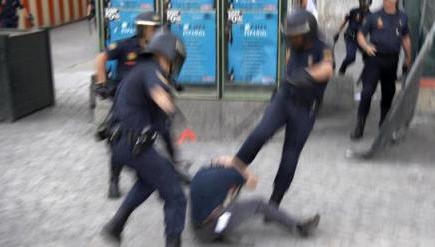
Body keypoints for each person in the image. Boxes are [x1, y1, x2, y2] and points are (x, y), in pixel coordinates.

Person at [219, 9, 334, 209]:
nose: (289, 38)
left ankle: (274, 202)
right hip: (284, 98)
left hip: (305, 109)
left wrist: (306, 75)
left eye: (293, 36)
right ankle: (233, 176)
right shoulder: (293, 44)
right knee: (260, 133)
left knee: (290, 154)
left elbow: (327, 68)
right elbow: (289, 59)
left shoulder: (322, 46)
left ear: (306, 34)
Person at [100, 30, 187, 247]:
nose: (174, 66)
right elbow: (157, 90)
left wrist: (175, 162)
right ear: (167, 55)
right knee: (176, 196)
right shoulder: (151, 69)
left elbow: (163, 130)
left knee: (148, 182)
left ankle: (115, 226)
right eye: (175, 60)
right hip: (132, 144)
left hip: (122, 146)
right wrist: (168, 104)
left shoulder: (138, 70)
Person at [94, 11, 162, 198]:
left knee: (147, 141)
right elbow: (101, 58)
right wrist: (101, 84)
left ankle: (149, 179)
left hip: (145, 103)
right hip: (123, 103)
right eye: (152, 28)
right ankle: (114, 180)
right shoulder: (125, 45)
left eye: (157, 28)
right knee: (119, 141)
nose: (156, 31)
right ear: (142, 29)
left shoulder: (156, 50)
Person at [190, 162, 320, 243]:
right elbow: (253, 183)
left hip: (197, 231)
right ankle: (299, 227)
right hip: (211, 230)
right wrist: (243, 172)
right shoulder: (232, 174)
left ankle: (220, 230)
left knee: (224, 205)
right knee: (259, 204)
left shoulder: (201, 172)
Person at [350, 0, 412, 140]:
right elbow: (360, 35)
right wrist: (366, 47)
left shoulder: (402, 17)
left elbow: (405, 37)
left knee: (388, 93)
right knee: (367, 92)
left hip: (392, 61)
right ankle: (359, 126)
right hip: (374, 60)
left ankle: (383, 126)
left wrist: (408, 57)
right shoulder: (373, 16)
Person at [334, 0, 371, 75]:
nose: (363, 3)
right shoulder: (353, 11)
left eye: (365, 1)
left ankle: (366, 75)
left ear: (369, 3)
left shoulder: (371, 15)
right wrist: (338, 32)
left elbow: (372, 28)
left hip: (362, 39)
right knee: (351, 57)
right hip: (351, 37)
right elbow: (345, 21)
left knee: (370, 57)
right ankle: (342, 68)